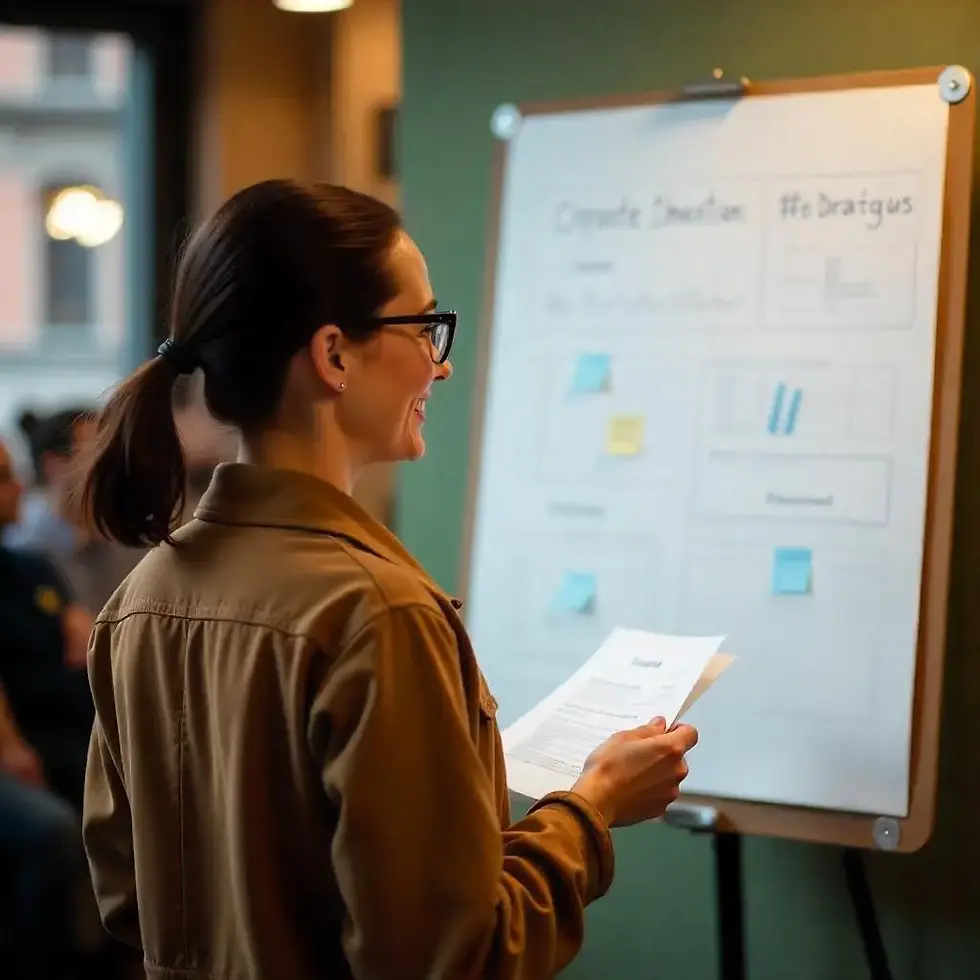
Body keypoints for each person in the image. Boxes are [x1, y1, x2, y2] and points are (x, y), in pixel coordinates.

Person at [78, 179, 699, 980]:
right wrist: (592, 809)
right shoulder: (379, 614)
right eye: (426, 327)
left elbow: (130, 897)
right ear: (334, 354)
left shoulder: (141, 599)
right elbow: (463, 958)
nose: (439, 369)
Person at [5, 406, 142, 613]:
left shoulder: (134, 542)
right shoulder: (24, 551)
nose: (114, 463)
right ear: (53, 464)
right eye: (97, 451)